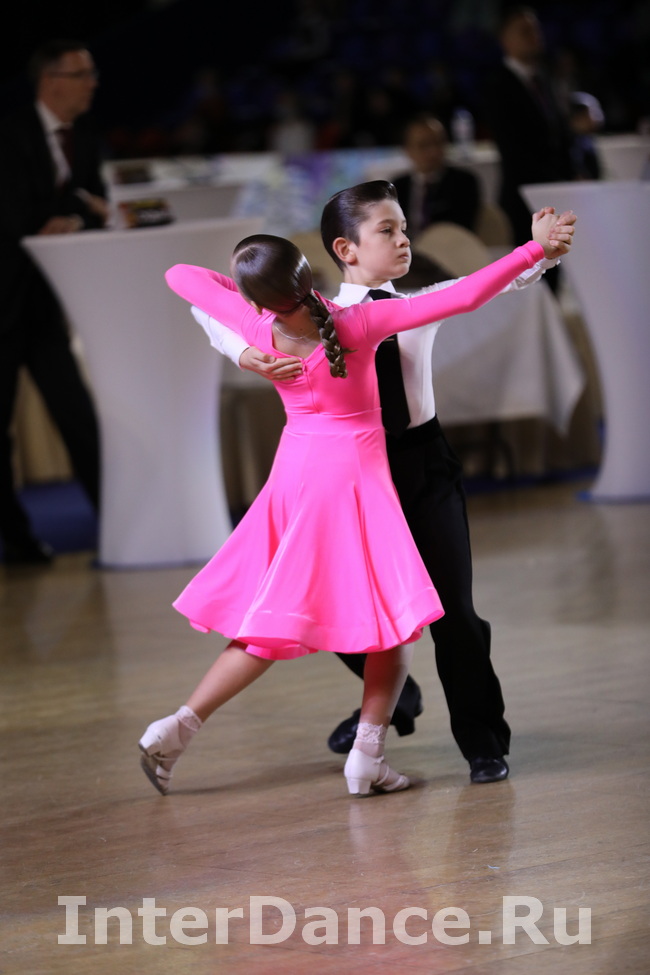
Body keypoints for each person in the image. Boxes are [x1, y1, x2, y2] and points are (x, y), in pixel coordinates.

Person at [138, 211, 569, 798]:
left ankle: (180, 727)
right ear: (312, 270)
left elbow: (182, 275)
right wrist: (531, 250)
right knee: (388, 623)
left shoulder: (257, 326)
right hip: (355, 483)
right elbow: (466, 295)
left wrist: (245, 347)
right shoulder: (357, 322)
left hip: (295, 478)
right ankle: (366, 756)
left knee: (282, 624)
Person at [0, 39, 106, 564]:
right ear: (50, 81)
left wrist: (74, 218)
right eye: (81, 74)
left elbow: (96, 204)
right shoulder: (10, 135)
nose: (92, 83)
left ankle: (117, 523)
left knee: (77, 415)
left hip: (43, 307)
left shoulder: (83, 140)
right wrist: (60, 217)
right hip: (4, 301)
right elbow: (14, 216)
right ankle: (18, 541)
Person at [482, 6, 576, 289]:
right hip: (524, 196)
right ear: (505, 40)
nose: (534, 36)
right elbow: (514, 147)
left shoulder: (546, 79)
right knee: (529, 277)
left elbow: (561, 134)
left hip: (555, 193)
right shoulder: (497, 84)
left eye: (535, 30)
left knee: (555, 272)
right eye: (524, 31)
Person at [391, 113, 482, 237]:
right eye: (423, 145)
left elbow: (462, 229)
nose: (433, 151)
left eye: (438, 142)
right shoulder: (398, 187)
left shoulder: (463, 182)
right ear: (408, 150)